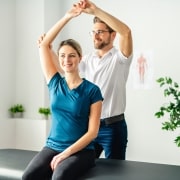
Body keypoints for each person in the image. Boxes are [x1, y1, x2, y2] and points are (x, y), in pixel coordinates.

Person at [22, 3, 103, 180]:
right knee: (28, 176)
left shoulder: (92, 91)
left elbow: (93, 133)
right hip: (52, 146)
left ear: (80, 58)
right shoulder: (54, 82)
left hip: (81, 151)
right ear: (58, 58)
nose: (67, 60)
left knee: (59, 177)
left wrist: (66, 153)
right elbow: (44, 45)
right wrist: (67, 17)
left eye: (72, 55)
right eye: (62, 55)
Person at [76, 0, 133, 160]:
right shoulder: (87, 60)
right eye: (93, 32)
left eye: (100, 31)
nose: (95, 35)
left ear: (113, 35)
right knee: (83, 168)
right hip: (90, 127)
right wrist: (47, 48)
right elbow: (64, 68)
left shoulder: (120, 58)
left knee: (114, 173)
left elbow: (126, 32)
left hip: (113, 128)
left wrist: (96, 11)